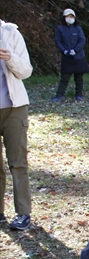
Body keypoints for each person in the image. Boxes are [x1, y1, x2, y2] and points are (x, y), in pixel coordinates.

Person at [0, 18, 33, 230]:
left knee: (17, 163)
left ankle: (23, 213)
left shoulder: (10, 32)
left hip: (14, 109)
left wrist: (10, 58)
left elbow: (26, 71)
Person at [50, 8, 89, 102]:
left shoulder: (78, 28)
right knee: (64, 78)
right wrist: (64, 51)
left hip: (79, 57)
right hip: (66, 57)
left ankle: (79, 95)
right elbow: (58, 41)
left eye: (72, 16)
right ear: (64, 17)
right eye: (68, 16)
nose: (70, 18)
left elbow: (82, 40)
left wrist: (75, 50)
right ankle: (59, 96)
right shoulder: (60, 28)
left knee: (79, 78)